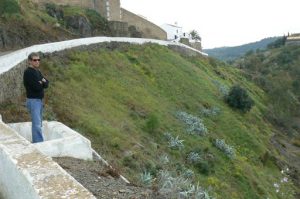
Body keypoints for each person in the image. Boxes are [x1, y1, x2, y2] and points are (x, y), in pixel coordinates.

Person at [23, 52, 49, 143]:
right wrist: (42, 82)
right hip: (33, 101)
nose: (37, 61)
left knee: (39, 123)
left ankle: (38, 141)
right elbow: (37, 87)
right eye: (35, 60)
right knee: (37, 124)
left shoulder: (37, 71)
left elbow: (47, 84)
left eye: (38, 60)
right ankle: (38, 143)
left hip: (39, 101)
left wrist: (42, 82)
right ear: (30, 61)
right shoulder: (28, 73)